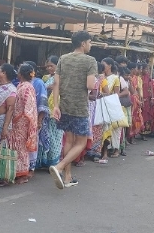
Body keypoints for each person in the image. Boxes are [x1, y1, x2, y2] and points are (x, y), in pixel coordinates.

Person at [51, 31, 97, 189]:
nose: (90, 45)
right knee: (81, 142)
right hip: (79, 106)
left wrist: (55, 105)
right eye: (90, 42)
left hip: (64, 104)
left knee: (69, 140)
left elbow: (56, 83)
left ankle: (68, 177)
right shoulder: (90, 61)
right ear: (83, 43)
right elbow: (90, 86)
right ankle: (60, 167)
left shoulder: (63, 58)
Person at [10, 64, 38, 184]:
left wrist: (22, 117)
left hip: (22, 121)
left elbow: (29, 106)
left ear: (20, 74)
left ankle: (23, 174)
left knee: (22, 148)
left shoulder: (27, 87)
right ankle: (17, 172)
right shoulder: (22, 86)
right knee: (17, 147)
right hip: (18, 120)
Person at [0, 64, 16, 187]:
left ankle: (3, 176)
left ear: (4, 73)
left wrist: (5, 127)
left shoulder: (11, 90)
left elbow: (10, 109)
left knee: (2, 148)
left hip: (2, 121)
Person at [22, 61, 48, 177]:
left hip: (34, 117)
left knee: (33, 141)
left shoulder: (39, 83)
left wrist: (39, 120)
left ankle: (31, 168)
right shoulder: (23, 83)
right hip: (23, 119)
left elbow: (42, 102)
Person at [39, 56, 64, 169]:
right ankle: (47, 160)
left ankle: (54, 163)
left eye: (51, 66)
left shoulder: (61, 78)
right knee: (47, 134)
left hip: (56, 108)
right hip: (47, 110)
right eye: (48, 66)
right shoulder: (47, 78)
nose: (49, 68)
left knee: (56, 137)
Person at [99, 57, 121, 161]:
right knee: (100, 129)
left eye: (104, 65)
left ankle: (105, 152)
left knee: (107, 130)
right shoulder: (99, 76)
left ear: (110, 66)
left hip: (109, 106)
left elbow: (116, 94)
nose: (102, 67)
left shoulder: (115, 78)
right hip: (99, 105)